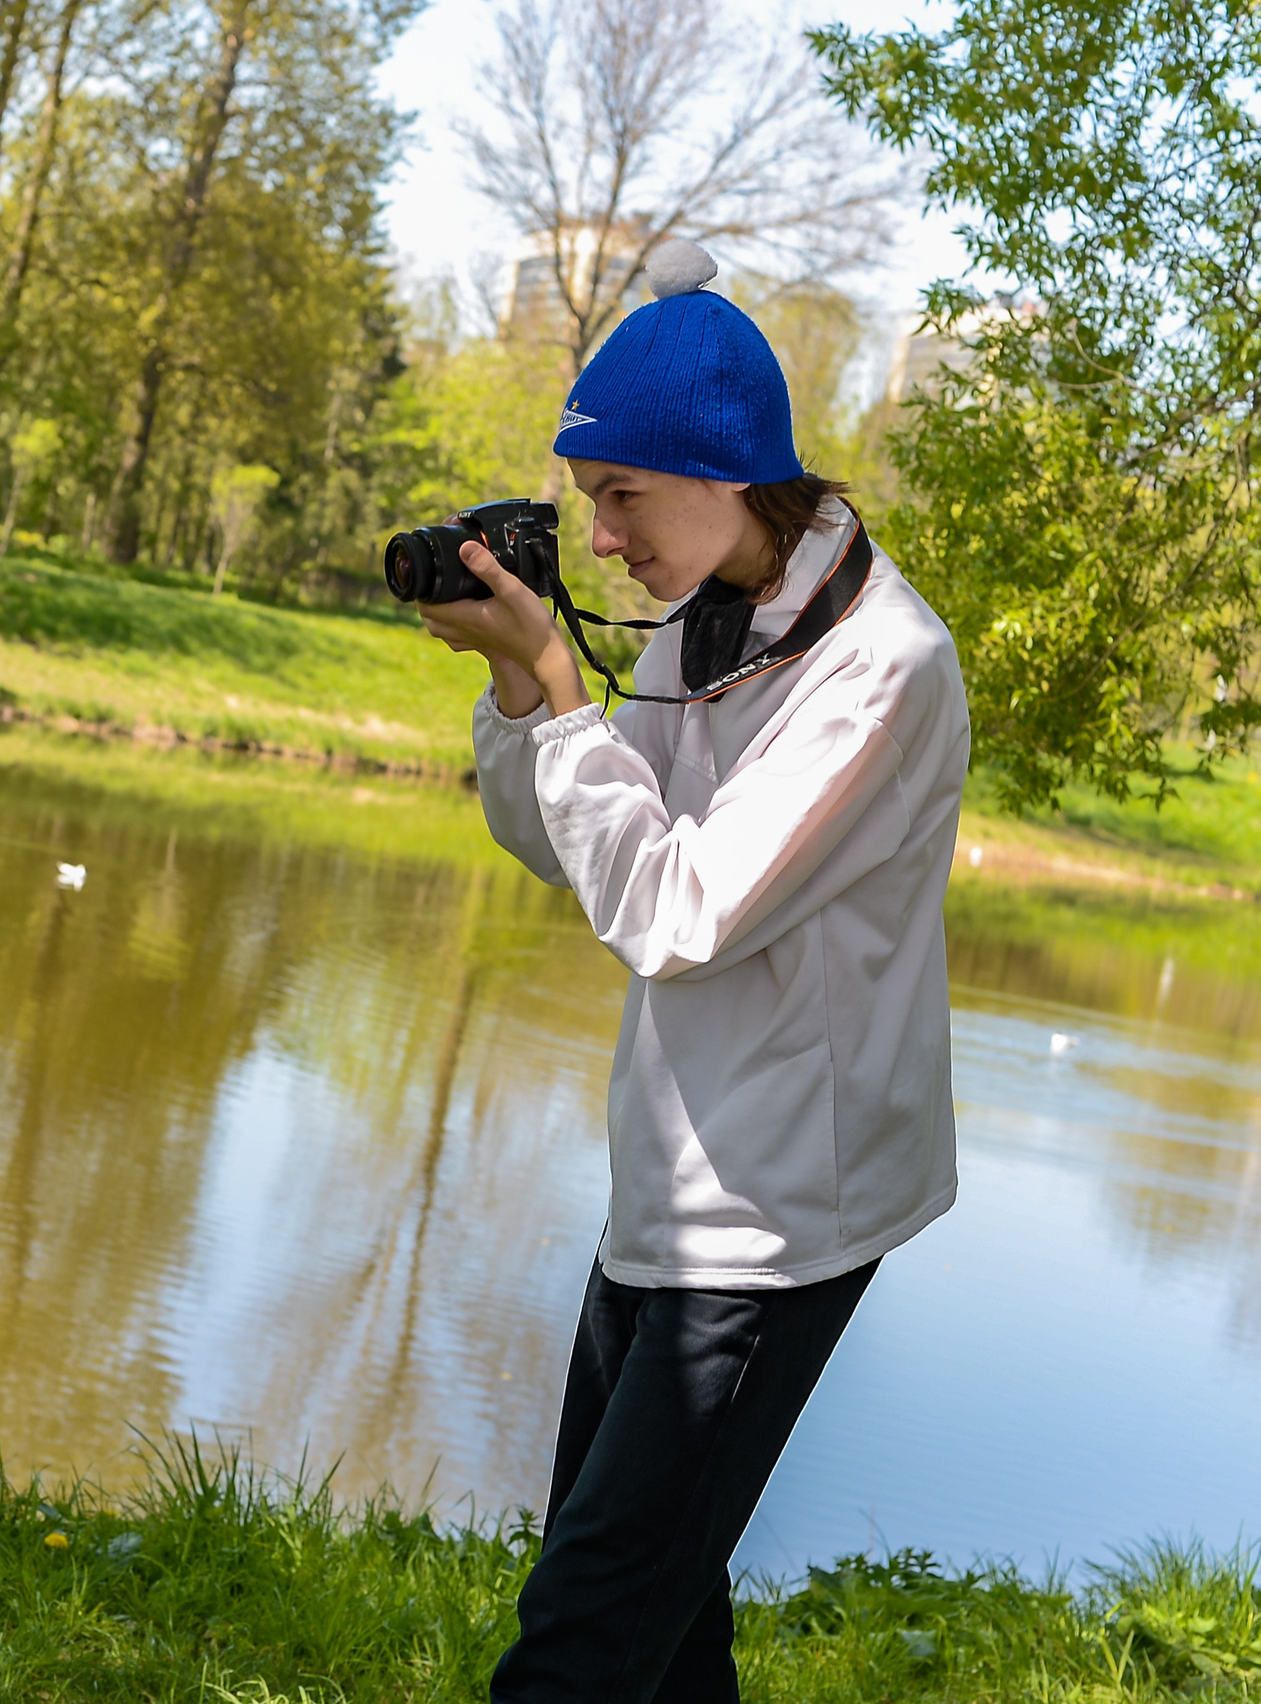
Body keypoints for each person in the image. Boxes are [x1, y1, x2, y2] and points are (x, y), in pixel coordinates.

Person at [416, 240, 970, 1703]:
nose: (598, 541)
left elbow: (676, 911)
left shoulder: (881, 668)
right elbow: (573, 845)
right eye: (588, 500)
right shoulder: (710, 618)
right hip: (669, 1169)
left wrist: (563, 694)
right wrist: (517, 686)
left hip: (780, 1207)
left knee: (585, 1624)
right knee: (655, 1613)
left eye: (621, 498)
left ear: (725, 473)